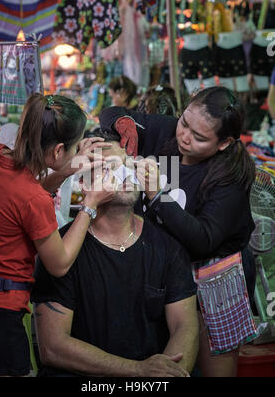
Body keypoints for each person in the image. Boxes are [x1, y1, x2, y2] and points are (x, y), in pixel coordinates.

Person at [99, 86, 257, 377]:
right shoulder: (169, 133)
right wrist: (124, 125)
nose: (185, 137)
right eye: (185, 123)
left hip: (214, 276)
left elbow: (203, 240)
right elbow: (111, 113)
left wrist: (158, 195)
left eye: (199, 138)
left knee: (213, 367)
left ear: (224, 143)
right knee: (162, 365)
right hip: (165, 270)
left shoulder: (231, 175)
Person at [31, 133, 199, 378]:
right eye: (111, 167)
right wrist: (138, 370)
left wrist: (166, 375)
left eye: (129, 165)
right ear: (86, 185)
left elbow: (185, 326)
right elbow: (53, 347)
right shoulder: (60, 251)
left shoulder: (167, 247)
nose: (125, 174)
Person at [0, 94, 117, 377]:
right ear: (58, 150)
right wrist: (90, 204)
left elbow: (20, 199)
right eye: (75, 147)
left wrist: (63, 172)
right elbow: (59, 263)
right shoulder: (32, 200)